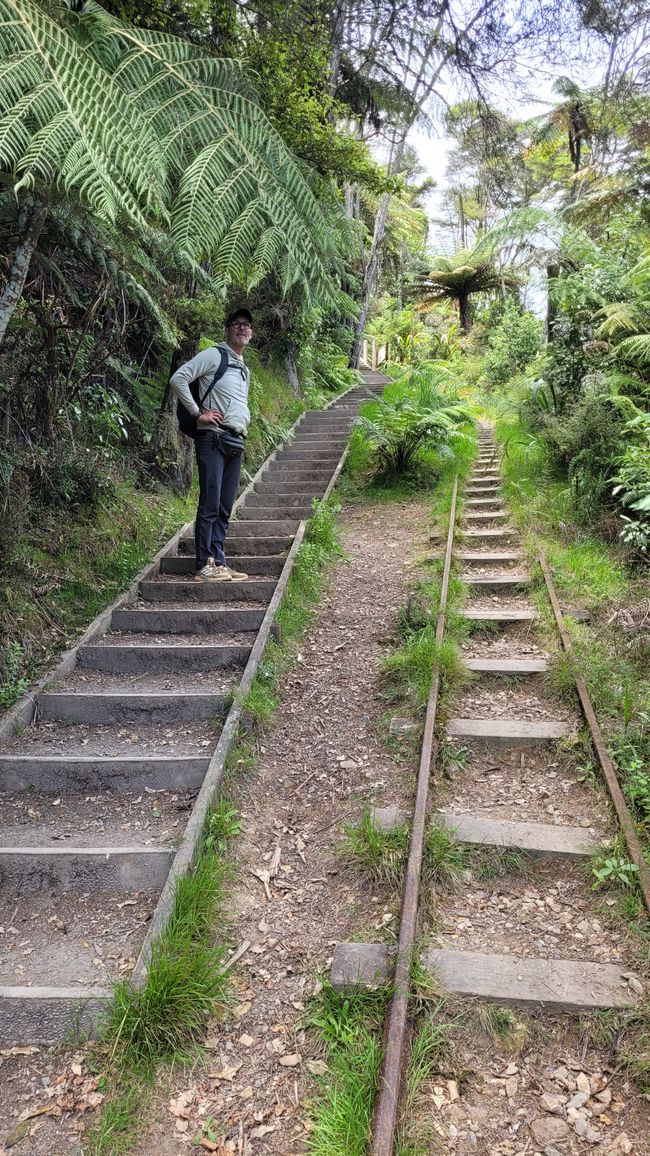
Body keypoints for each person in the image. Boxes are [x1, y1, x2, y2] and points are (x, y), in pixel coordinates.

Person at [170, 308, 253, 581]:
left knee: (224, 506)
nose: (242, 328)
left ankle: (219, 561)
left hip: (234, 440)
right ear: (228, 330)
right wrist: (198, 413)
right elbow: (179, 378)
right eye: (237, 324)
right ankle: (204, 564)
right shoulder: (214, 355)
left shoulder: (243, 368)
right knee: (210, 502)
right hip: (213, 437)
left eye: (247, 325)